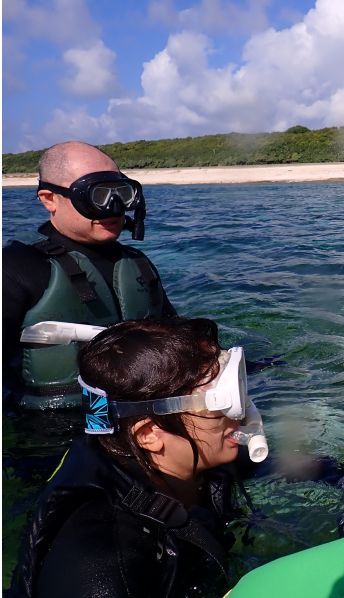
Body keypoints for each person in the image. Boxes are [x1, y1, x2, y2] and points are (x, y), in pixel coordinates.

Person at [10, 317, 260, 598]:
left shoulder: (201, 450)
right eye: (222, 402)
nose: (238, 413)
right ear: (150, 433)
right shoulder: (104, 564)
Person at [3, 141, 175, 410]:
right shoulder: (16, 268)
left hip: (140, 416)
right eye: (98, 196)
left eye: (122, 194)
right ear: (49, 199)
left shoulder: (137, 263)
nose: (114, 207)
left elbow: (177, 338)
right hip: (51, 432)